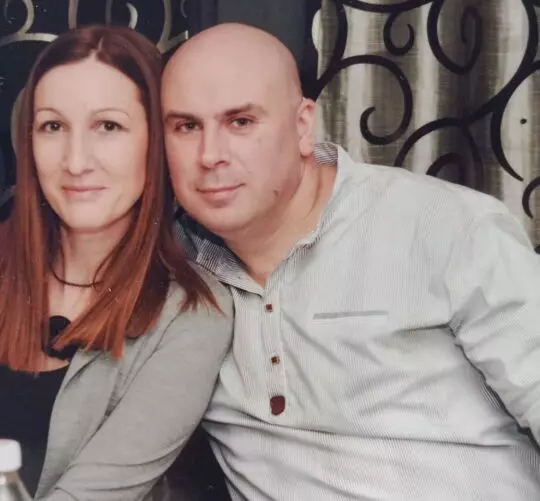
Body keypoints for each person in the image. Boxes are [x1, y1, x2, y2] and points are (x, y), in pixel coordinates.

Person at [162, 22, 540, 500]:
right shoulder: (170, 271)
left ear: (303, 125)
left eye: (241, 122)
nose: (210, 155)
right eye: (186, 126)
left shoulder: (449, 227)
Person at [0, 25, 232, 501]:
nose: (76, 161)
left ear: (155, 143)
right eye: (53, 126)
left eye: (108, 126)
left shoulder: (191, 316)